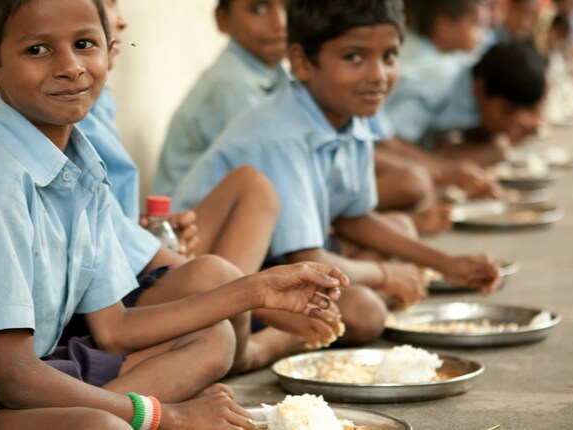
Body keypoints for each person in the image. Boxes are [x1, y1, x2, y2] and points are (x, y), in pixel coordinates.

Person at [0, 1, 349, 429]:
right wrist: (165, 415)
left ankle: (119, 412)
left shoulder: (78, 163)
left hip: (17, 367)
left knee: (213, 338)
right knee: (98, 424)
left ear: (109, 48)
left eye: (85, 43)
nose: (70, 66)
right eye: (37, 50)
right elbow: (15, 377)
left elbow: (114, 326)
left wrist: (258, 289)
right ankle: (130, 414)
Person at [0, 0, 342, 371]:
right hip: (74, 302)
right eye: (39, 48)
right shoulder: (35, 124)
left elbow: (98, 225)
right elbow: (20, 367)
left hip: (111, 274)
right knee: (215, 280)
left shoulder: (79, 111)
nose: (121, 21)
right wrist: (254, 295)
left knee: (248, 200)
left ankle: (238, 343)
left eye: (82, 43)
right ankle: (246, 350)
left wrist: (159, 237)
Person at [171, 0, 502, 343]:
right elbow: (307, 256)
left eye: (389, 56)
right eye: (354, 57)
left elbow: (351, 218)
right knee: (364, 311)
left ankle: (302, 324)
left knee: (399, 230)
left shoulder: (352, 118)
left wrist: (448, 263)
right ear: (301, 62)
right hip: (220, 278)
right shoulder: (280, 135)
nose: (377, 75)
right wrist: (385, 273)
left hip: (278, 259)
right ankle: (261, 346)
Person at [153, 0, 289, 196]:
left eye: (289, 8)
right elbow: (272, 175)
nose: (280, 23)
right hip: (189, 220)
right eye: (259, 9)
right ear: (222, 19)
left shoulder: (277, 77)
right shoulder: (230, 85)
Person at [379, 0, 503, 199]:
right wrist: (445, 172)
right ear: (445, 27)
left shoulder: (440, 60)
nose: (482, 37)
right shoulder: (431, 70)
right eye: (476, 25)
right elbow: (387, 141)